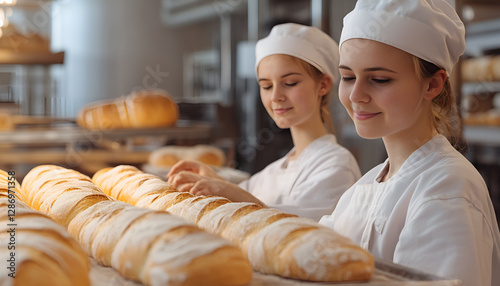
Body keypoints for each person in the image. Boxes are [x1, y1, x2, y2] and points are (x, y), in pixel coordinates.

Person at [318, 1, 500, 286]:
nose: (356, 95)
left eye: (379, 79)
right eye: (349, 77)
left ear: (432, 85)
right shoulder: (366, 186)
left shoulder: (447, 192)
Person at [167, 23, 361, 222]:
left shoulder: (336, 165)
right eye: (266, 86)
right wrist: (213, 180)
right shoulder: (273, 171)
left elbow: (301, 231)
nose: (276, 96)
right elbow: (242, 200)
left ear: (323, 85)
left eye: (290, 83)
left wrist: (226, 190)